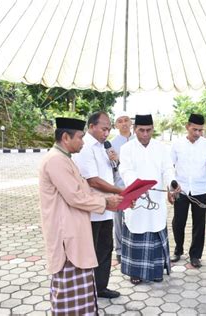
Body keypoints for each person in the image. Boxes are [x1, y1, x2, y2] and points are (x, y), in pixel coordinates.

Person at [39, 117, 123, 314]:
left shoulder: (64, 159)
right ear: (66, 137)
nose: (83, 142)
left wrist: (113, 201)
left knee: (82, 283)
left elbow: (83, 190)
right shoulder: (55, 161)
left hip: (74, 228)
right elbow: (75, 197)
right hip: (65, 231)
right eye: (80, 137)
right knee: (67, 286)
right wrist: (105, 202)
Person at [119, 114, 181, 284]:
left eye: (148, 130)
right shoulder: (127, 149)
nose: (145, 134)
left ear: (153, 129)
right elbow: (125, 171)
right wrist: (139, 186)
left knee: (155, 230)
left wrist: (172, 184)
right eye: (141, 130)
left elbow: (168, 169)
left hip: (156, 199)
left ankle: (156, 271)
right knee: (136, 232)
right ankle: (135, 272)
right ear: (135, 129)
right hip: (136, 198)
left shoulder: (161, 148)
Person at [72, 112, 123, 299]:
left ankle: (100, 287)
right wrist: (119, 191)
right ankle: (85, 289)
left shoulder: (104, 147)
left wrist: (114, 161)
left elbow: (109, 173)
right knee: (89, 251)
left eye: (109, 129)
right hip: (91, 210)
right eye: (104, 128)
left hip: (106, 209)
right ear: (91, 126)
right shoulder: (85, 147)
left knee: (105, 248)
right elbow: (93, 181)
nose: (107, 132)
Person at [170, 113, 206, 268]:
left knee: (199, 223)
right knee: (179, 222)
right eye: (195, 130)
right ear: (187, 126)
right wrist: (170, 187)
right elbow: (169, 166)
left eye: (200, 130)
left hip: (200, 189)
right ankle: (178, 250)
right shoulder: (177, 144)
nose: (198, 133)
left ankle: (195, 255)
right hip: (181, 189)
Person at [111, 111, 136, 264]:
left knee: (134, 218)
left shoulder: (137, 140)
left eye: (126, 120)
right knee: (118, 219)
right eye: (120, 121)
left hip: (135, 186)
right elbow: (112, 165)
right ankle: (119, 250)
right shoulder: (112, 143)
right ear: (116, 125)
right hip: (118, 186)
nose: (124, 123)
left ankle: (132, 247)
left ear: (131, 122)